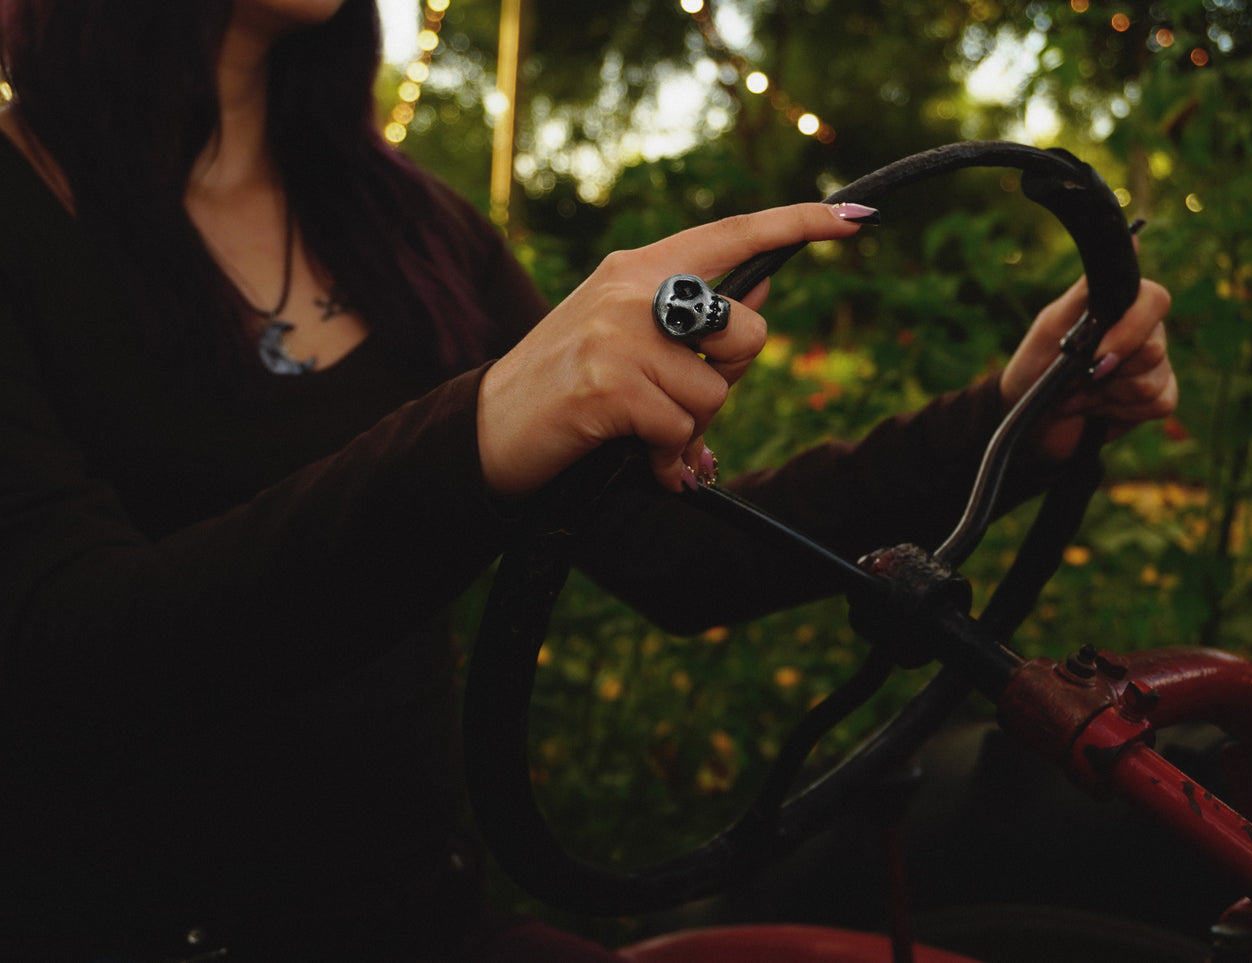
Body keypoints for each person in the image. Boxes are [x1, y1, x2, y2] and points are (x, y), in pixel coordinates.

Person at [0, 0, 1175, 959]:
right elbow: (73, 647)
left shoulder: (403, 224)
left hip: (428, 929)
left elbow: (678, 554)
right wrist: (485, 430)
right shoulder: (25, 208)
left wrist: (1011, 422)